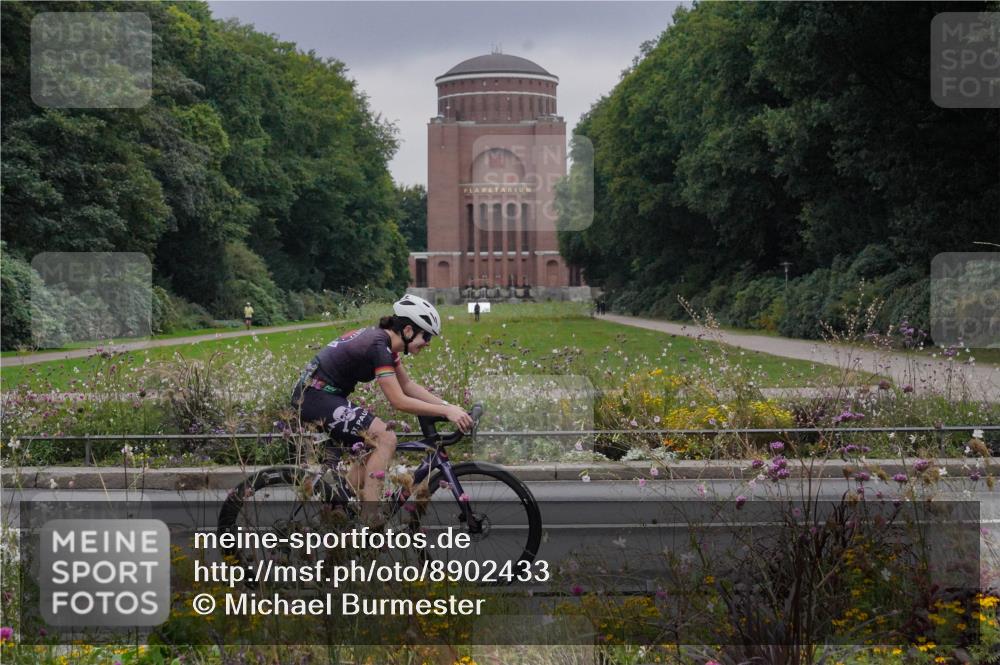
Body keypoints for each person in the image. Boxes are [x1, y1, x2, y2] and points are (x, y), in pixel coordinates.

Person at [291, 294, 473, 523]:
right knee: (386, 438)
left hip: (322, 396)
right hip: (313, 397)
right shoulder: (379, 346)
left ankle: (338, 504)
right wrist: (446, 412)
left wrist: (449, 406)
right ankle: (370, 517)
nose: (428, 342)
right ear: (408, 331)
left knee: (372, 445)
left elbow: (407, 386)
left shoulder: (386, 345)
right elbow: (398, 400)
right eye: (426, 335)